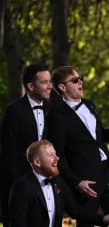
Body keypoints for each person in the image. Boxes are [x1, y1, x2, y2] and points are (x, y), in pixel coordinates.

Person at [46, 66, 109, 227]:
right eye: (74, 80)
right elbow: (58, 155)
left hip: (108, 173)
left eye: (81, 78)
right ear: (62, 87)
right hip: (86, 181)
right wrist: (76, 182)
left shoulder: (89, 105)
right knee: (86, 223)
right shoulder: (57, 116)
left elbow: (97, 139)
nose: (81, 82)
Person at [8, 140, 109, 227]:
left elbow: (76, 211)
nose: (57, 158)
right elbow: (18, 224)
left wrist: (103, 219)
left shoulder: (59, 182)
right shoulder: (22, 187)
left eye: (56, 154)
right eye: (51, 155)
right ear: (37, 162)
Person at [0, 63, 52, 226]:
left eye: (50, 81)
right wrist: (18, 185)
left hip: (44, 182)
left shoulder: (51, 110)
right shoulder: (13, 111)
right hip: (17, 181)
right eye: (44, 82)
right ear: (30, 86)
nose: (50, 86)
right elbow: (7, 151)